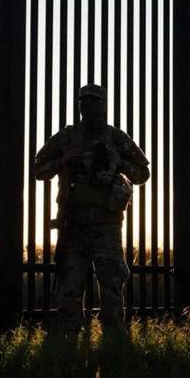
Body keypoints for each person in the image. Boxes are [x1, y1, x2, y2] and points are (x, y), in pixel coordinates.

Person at [34, 83, 150, 331]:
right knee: (70, 291)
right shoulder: (67, 137)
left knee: (111, 289)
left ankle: (113, 344)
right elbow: (39, 170)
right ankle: (70, 347)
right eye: (84, 102)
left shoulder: (115, 138)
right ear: (79, 106)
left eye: (94, 102)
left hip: (107, 226)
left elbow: (142, 173)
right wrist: (64, 159)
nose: (88, 107)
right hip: (73, 225)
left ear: (103, 105)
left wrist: (117, 162)